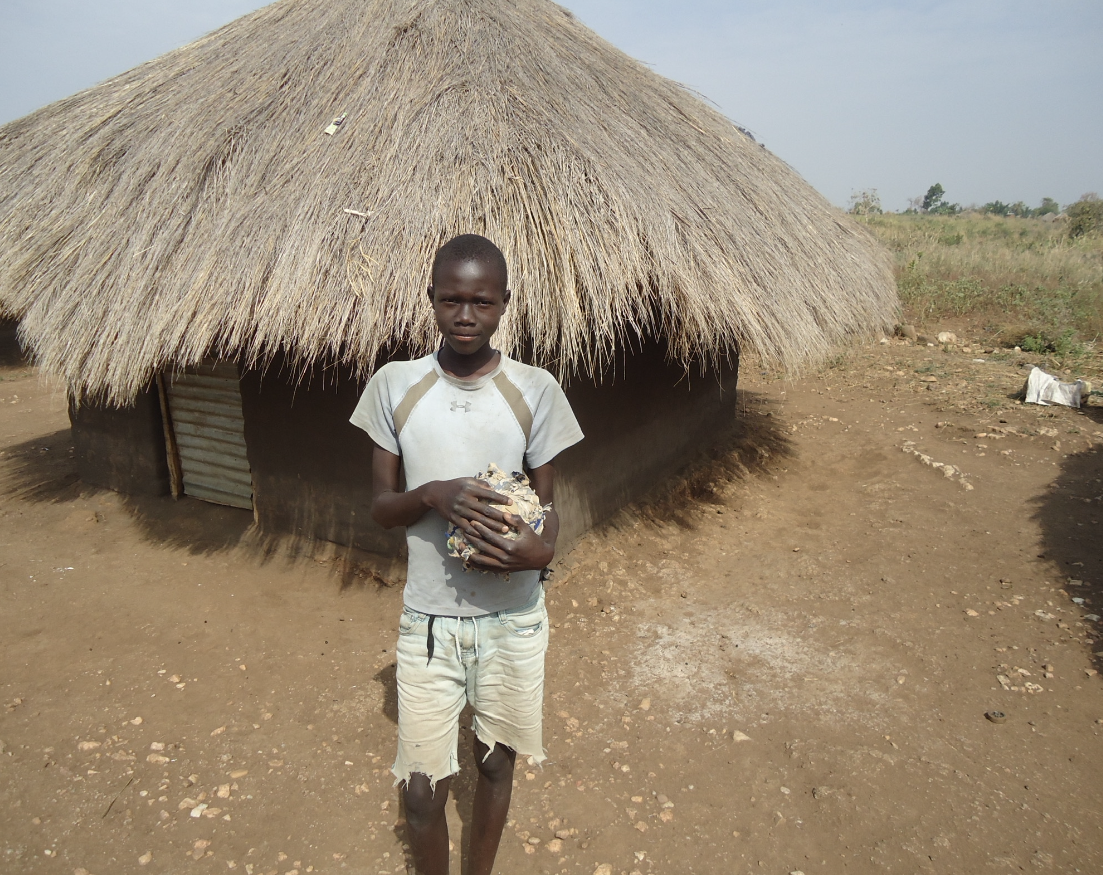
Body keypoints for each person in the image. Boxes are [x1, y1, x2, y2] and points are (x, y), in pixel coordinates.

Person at [350, 234, 584, 875]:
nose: (464, 314)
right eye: (450, 299)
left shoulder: (533, 390)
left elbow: (547, 505)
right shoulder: (396, 386)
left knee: (494, 762)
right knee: (421, 791)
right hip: (427, 623)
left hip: (512, 618)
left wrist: (540, 552)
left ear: (504, 304)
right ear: (430, 299)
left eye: (480, 301)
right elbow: (380, 507)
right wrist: (431, 493)